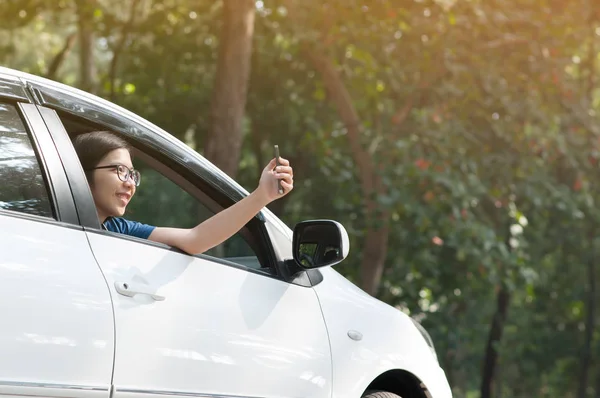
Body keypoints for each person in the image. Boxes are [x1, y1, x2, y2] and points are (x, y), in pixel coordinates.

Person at [73, 131, 293, 255]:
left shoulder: (116, 228)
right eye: (119, 170)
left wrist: (263, 195)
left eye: (132, 174)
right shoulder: (48, 224)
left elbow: (195, 239)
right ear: (83, 172)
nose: (130, 183)